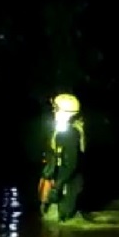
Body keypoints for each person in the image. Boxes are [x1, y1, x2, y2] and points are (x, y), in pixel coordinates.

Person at [45, 93, 86, 223]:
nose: (54, 112)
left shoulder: (70, 133)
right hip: (64, 181)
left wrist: (58, 185)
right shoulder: (65, 130)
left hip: (69, 183)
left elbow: (71, 163)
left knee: (65, 219)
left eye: (56, 109)